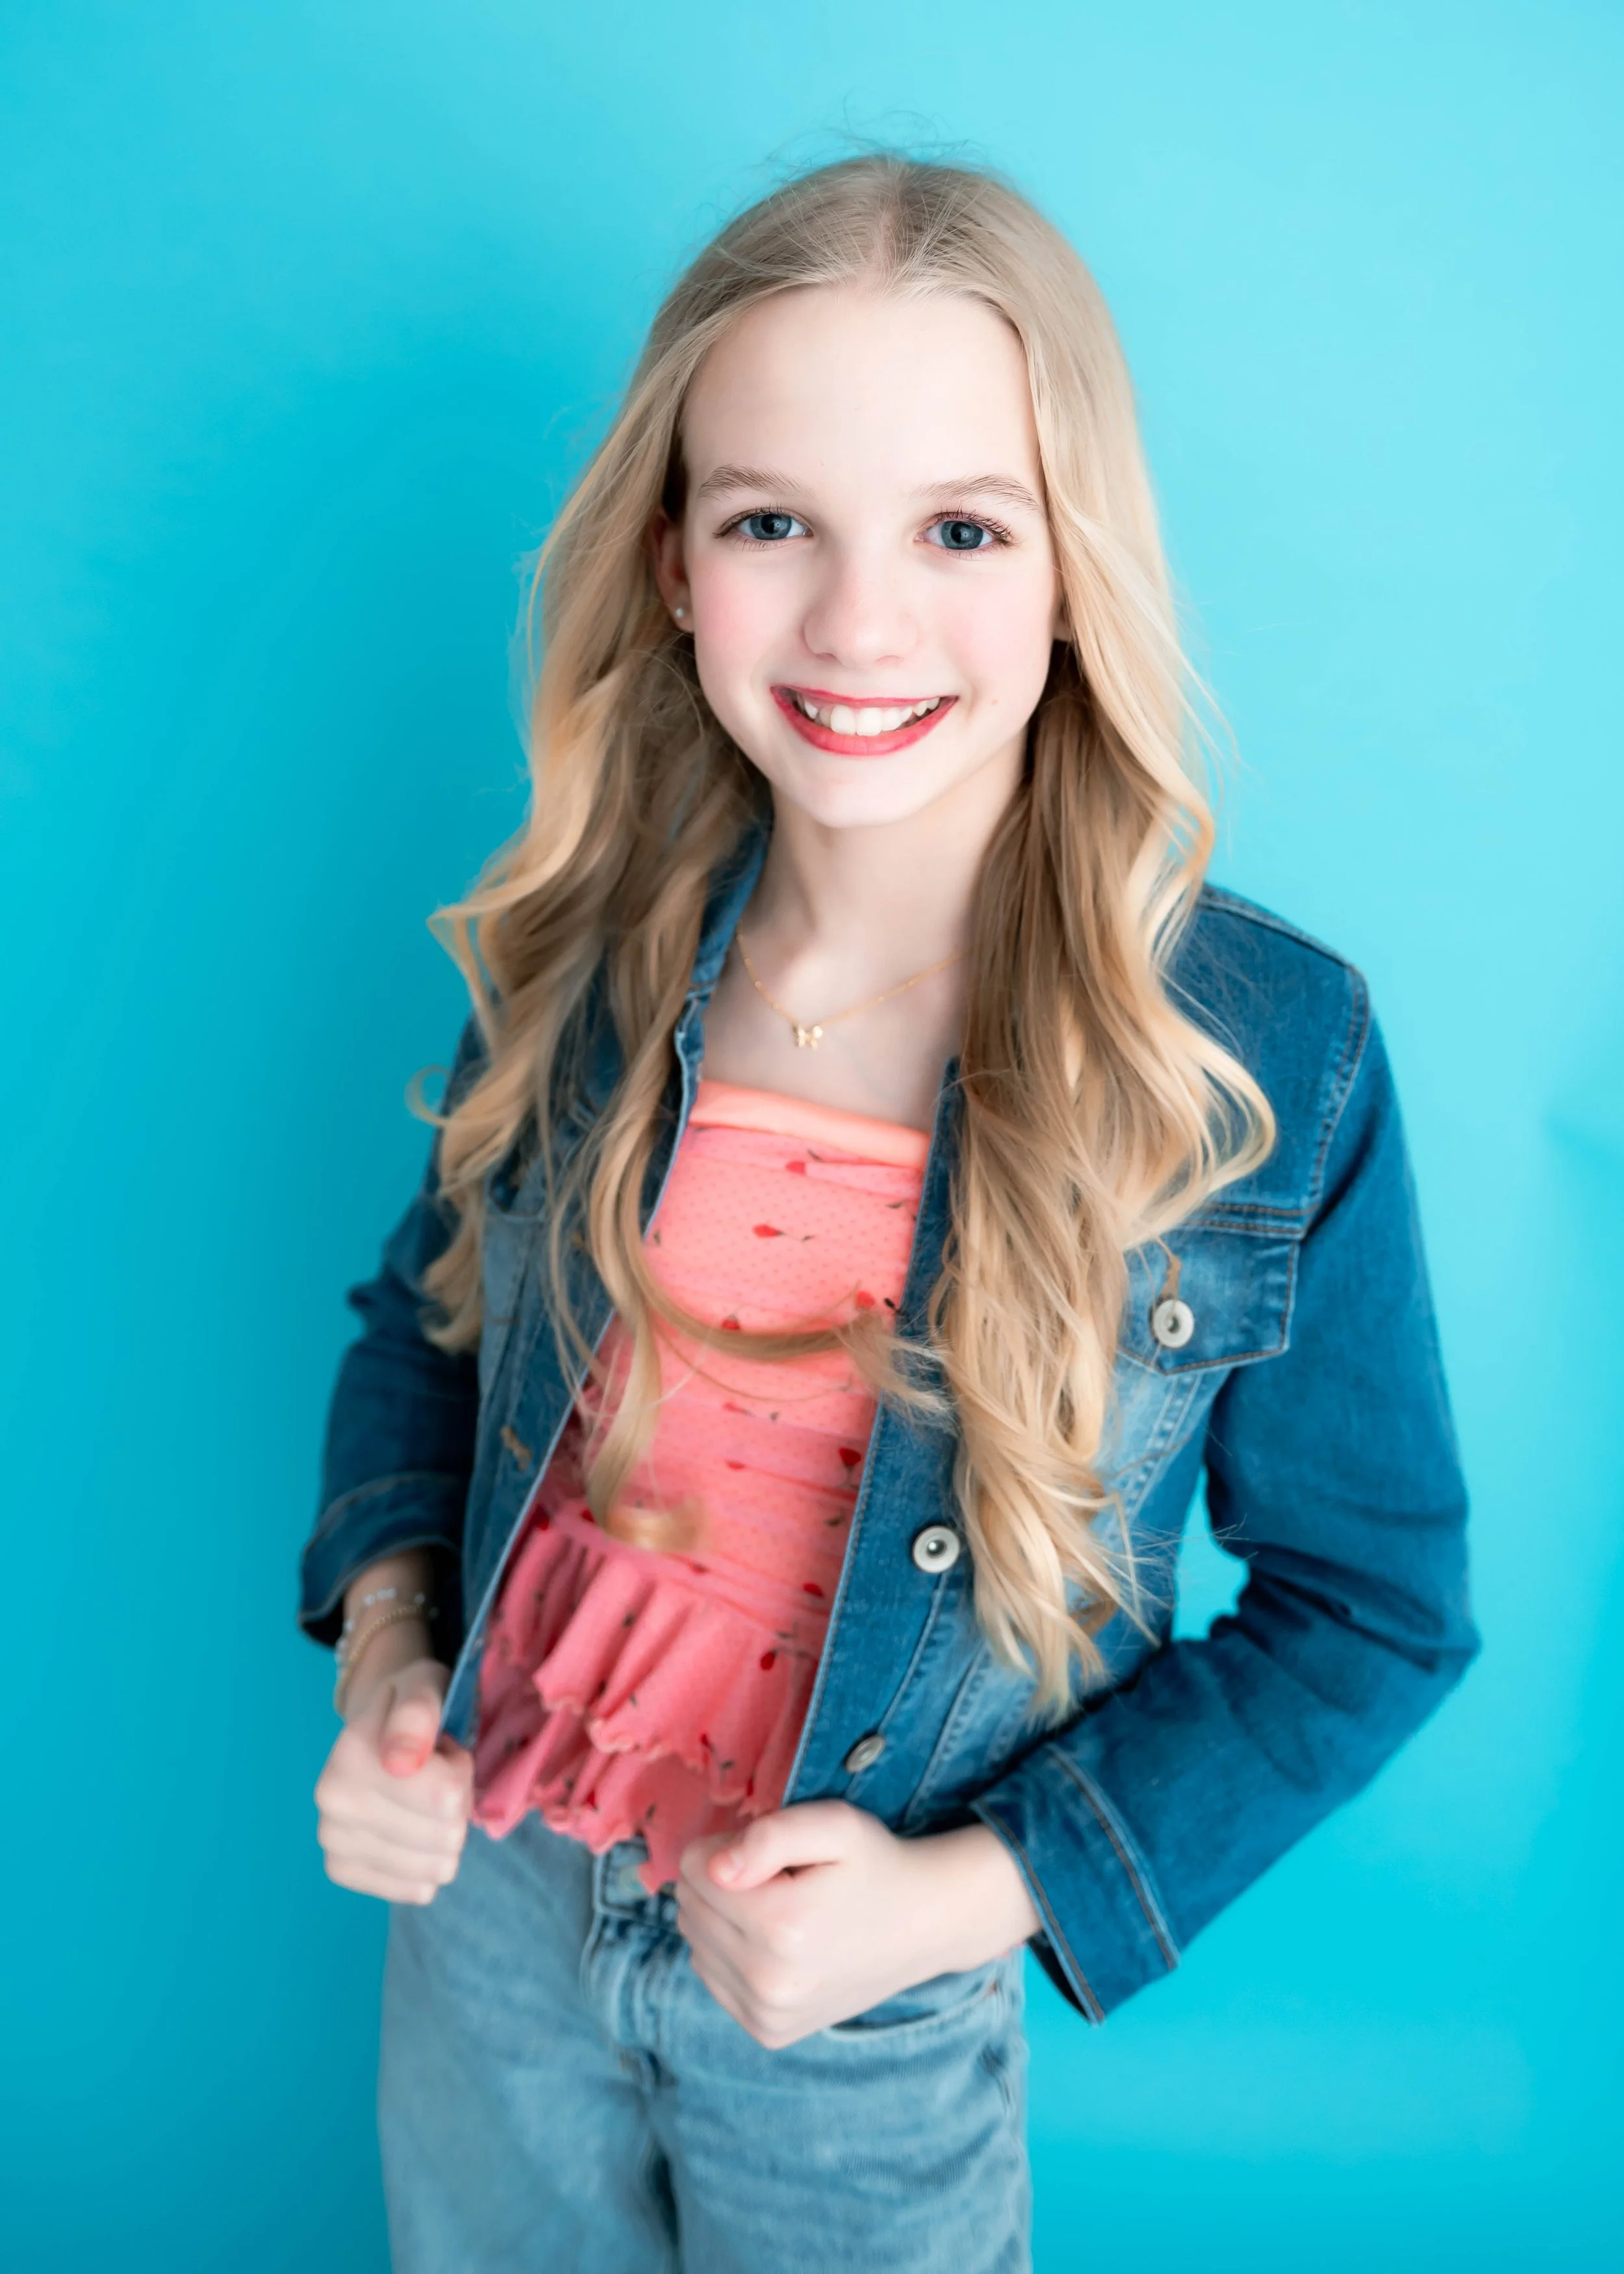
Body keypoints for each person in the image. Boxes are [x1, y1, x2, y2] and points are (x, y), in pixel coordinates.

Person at [299, 155, 1477, 2273]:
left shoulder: (1257, 1063)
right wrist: (392, 1657)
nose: (858, 624)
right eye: (772, 524)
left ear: (1070, 567)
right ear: (671, 564)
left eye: (959, 528)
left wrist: (960, 1896)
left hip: (854, 2002)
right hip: (486, 1909)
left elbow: (1372, 1608)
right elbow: (429, 1322)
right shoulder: (582, 953)